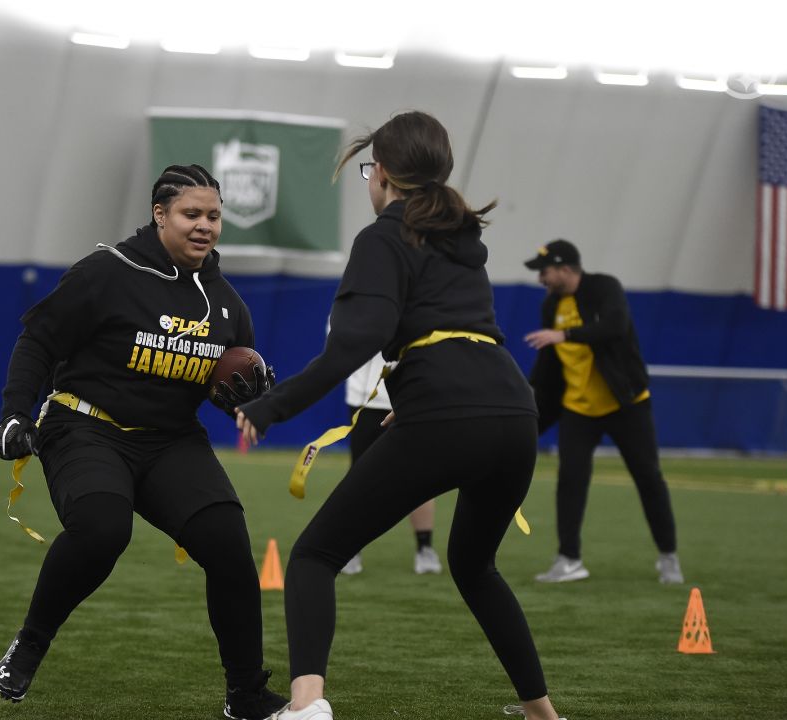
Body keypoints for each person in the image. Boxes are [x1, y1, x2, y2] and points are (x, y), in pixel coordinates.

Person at [235, 111, 564, 720]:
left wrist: (272, 406)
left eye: (368, 171)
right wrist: (415, 401)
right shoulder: (463, 243)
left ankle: (306, 707)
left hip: (446, 415)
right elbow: (458, 335)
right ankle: (544, 715)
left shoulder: (383, 237)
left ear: (381, 174)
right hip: (514, 412)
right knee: (474, 564)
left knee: (313, 558)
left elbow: (356, 342)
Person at [0, 164, 288, 720]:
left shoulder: (226, 303)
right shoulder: (107, 271)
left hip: (170, 439)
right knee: (103, 530)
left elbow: (235, 377)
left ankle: (246, 694)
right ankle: (30, 643)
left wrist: (249, 400)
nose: (205, 226)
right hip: (85, 426)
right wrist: (14, 413)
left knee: (228, 544)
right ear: (160, 215)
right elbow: (38, 341)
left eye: (214, 216)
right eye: (191, 214)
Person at [521, 239, 683, 585]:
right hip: (578, 410)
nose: (541, 279)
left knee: (648, 478)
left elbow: (614, 325)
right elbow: (548, 367)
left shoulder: (604, 288)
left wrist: (565, 334)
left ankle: (668, 556)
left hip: (627, 405)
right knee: (571, 481)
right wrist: (527, 411)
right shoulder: (551, 306)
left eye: (544, 272)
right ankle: (569, 559)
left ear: (565, 269)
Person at [339, 352, 441, 576]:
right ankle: (350, 550)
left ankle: (425, 548)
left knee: (418, 475)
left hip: (408, 398)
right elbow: (343, 343)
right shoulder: (348, 315)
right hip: (365, 401)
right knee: (361, 476)